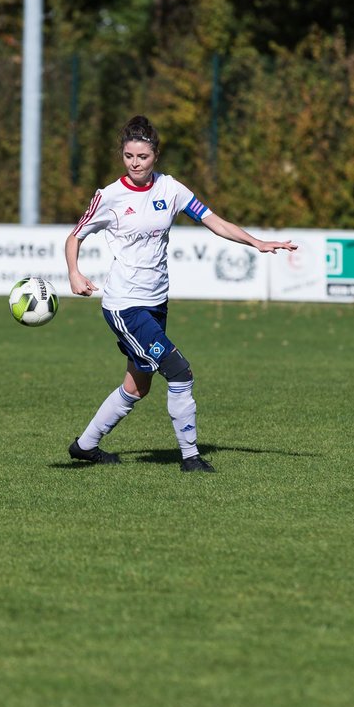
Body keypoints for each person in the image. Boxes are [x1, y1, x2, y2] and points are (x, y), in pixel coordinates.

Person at [64, 116, 297, 473]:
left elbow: (214, 221)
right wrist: (74, 273)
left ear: (155, 154)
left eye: (142, 156)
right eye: (128, 156)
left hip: (156, 302)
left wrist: (257, 242)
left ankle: (85, 446)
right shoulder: (109, 196)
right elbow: (74, 236)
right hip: (125, 306)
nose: (135, 163)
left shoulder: (171, 190)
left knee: (137, 386)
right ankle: (190, 458)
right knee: (180, 372)